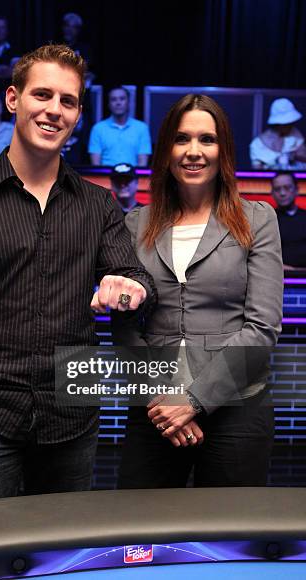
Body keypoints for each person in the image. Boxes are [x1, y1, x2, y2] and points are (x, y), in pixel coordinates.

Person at [0, 44, 156, 504]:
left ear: (79, 115)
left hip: (71, 418)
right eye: (42, 94)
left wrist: (129, 289)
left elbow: (133, 279)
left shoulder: (98, 205)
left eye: (68, 101)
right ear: (12, 99)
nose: (54, 110)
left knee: (63, 563)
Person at [113, 94, 283, 488]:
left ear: (223, 149)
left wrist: (192, 400)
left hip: (238, 408)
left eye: (207, 139)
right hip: (154, 410)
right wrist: (163, 401)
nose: (193, 152)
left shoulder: (257, 220)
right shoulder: (134, 225)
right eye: (181, 139)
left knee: (231, 538)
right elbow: (124, 327)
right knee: (141, 537)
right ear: (165, 151)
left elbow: (262, 328)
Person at [88, 86, 152, 166]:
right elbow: (95, 165)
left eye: (122, 99)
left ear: (128, 102)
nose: (118, 103)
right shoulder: (98, 129)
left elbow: (142, 164)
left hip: (133, 177)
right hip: (104, 177)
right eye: (113, 99)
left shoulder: (142, 128)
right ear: (109, 104)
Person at [250, 98, 306, 170]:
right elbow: (257, 172)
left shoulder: (295, 134)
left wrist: (294, 156)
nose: (291, 126)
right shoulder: (257, 144)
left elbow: (303, 154)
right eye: (287, 124)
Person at [271, 172, 306, 270]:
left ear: (296, 190)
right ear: (272, 193)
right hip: (279, 277)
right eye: (277, 189)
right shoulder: (266, 220)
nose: (282, 193)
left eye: (287, 188)